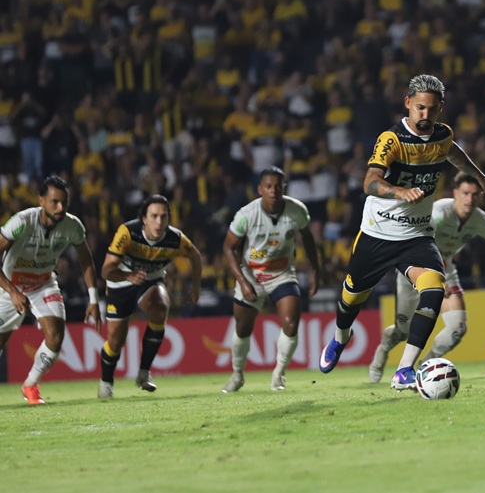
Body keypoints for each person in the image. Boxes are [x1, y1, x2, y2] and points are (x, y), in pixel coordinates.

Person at [318, 74, 485, 391]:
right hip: (378, 233)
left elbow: (452, 151)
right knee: (349, 302)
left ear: (440, 108)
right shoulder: (392, 139)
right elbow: (370, 182)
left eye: (431, 109)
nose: (425, 115)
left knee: (434, 288)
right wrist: (399, 191)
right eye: (419, 108)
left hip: (417, 235)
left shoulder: (442, 135)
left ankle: (404, 369)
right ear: (407, 104)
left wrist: (481, 178)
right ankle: (340, 338)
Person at [367, 172, 485, 383]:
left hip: (445, 269)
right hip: (414, 269)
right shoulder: (439, 212)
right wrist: (436, 275)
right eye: (465, 193)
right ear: (455, 193)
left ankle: (425, 369)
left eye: (475, 194)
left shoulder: (480, 220)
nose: (469, 199)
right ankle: (383, 351)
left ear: (480, 196)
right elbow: (417, 241)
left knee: (457, 329)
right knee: (403, 331)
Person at [0, 175, 102, 405]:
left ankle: (30, 385)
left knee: (56, 336)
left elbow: (86, 260)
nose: (60, 208)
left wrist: (94, 299)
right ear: (41, 201)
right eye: (55, 202)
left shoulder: (72, 225)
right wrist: (13, 292)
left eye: (64, 202)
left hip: (43, 283)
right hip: (10, 286)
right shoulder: (22, 222)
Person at [220, 166, 322, 393]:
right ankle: (237, 374)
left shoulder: (297, 210)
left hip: (282, 273)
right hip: (251, 275)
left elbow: (307, 238)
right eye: (268, 186)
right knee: (242, 328)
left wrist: (314, 270)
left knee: (291, 324)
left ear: (284, 188)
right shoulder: (246, 215)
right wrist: (243, 282)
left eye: (278, 186)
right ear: (260, 189)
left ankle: (279, 374)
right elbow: (228, 248)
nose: (273, 191)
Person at [98, 195, 202, 398]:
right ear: (144, 219)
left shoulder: (175, 239)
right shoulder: (128, 233)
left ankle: (144, 373)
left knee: (161, 306)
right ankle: (106, 382)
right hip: (121, 281)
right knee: (115, 341)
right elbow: (106, 271)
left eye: (163, 217)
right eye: (154, 216)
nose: (159, 222)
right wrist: (128, 276)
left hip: (151, 279)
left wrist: (196, 288)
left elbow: (195, 256)